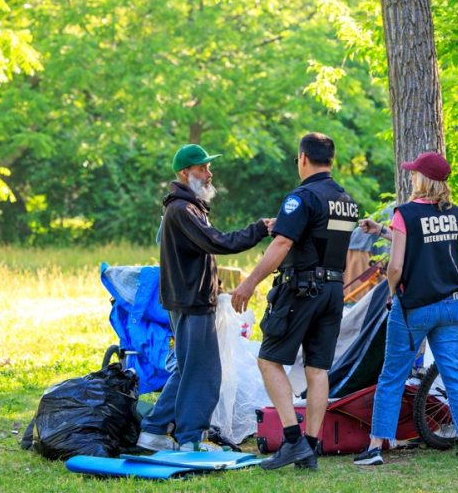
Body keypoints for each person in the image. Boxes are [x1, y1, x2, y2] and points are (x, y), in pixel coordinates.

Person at [353, 151, 458, 466]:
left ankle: (376, 446)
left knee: (392, 375)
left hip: (415, 307)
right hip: (453, 306)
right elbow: (434, 247)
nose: (411, 176)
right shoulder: (457, 215)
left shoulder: (404, 212)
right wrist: (380, 231)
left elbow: (396, 266)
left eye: (415, 172)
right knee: (455, 373)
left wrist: (392, 294)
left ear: (423, 179)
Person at [231, 132, 358, 470]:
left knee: (269, 359)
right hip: (333, 291)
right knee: (318, 369)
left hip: (301, 290)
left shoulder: (302, 197)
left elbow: (282, 244)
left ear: (303, 158)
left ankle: (291, 441)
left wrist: (248, 283)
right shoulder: (346, 200)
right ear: (330, 160)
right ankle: (311, 448)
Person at [137, 143, 273, 453]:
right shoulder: (182, 210)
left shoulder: (187, 207)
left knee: (188, 369)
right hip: (192, 302)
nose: (209, 173)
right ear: (185, 173)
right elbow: (218, 242)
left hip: (189, 299)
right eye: (202, 168)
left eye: (209, 167)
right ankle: (190, 440)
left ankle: (155, 430)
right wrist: (259, 229)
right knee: (205, 372)